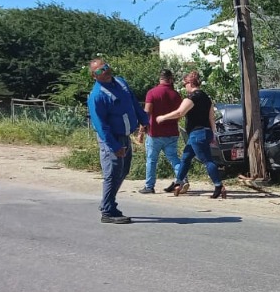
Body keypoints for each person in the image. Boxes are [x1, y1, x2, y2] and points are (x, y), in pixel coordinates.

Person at [87, 58, 147, 224]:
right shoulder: (97, 96)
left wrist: (144, 120)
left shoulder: (121, 82)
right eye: (99, 71)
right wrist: (114, 146)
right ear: (94, 76)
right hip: (111, 138)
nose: (104, 71)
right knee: (112, 174)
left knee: (123, 171)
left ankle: (108, 203)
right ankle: (107, 211)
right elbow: (101, 125)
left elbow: (134, 103)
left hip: (125, 136)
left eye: (105, 67)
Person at [156, 70, 225, 199]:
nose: (184, 87)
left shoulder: (192, 97)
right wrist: (213, 135)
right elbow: (211, 118)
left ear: (190, 83)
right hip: (205, 132)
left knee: (207, 160)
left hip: (197, 134)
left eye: (184, 84)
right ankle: (178, 181)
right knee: (186, 157)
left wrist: (163, 117)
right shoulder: (206, 97)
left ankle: (218, 185)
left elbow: (179, 113)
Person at [142, 68, 183, 194]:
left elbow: (147, 112)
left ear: (160, 78)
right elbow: (180, 113)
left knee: (152, 160)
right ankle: (182, 179)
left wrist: (141, 130)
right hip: (172, 132)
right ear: (170, 79)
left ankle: (149, 186)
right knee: (174, 158)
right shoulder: (175, 94)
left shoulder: (152, 93)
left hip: (155, 133)